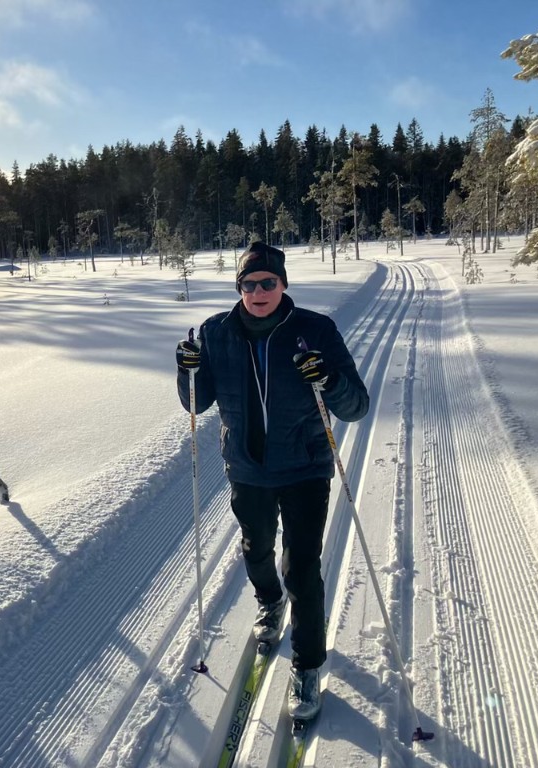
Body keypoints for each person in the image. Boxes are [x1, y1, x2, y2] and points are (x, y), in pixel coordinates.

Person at [175, 241, 369, 721]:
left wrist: (328, 378)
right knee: (255, 548)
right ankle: (269, 602)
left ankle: (307, 665)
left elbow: (356, 407)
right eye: (249, 284)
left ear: (283, 284)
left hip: (305, 466)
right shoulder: (217, 332)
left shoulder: (315, 330)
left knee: (302, 566)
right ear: (238, 287)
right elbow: (197, 404)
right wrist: (187, 373)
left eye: (268, 282)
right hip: (247, 467)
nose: (258, 291)